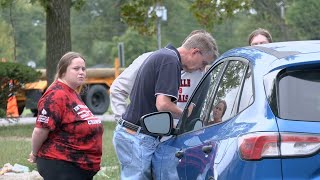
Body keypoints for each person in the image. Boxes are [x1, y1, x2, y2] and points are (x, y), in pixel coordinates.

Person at [112, 31, 219, 180]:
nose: (202, 69)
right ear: (195, 52)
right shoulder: (170, 61)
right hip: (137, 136)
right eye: (203, 63)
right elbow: (162, 104)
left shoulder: (165, 56)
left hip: (139, 135)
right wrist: (185, 115)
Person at [110, 30, 218, 123]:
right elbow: (118, 89)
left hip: (181, 139)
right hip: (146, 134)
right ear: (193, 50)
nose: (202, 68)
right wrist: (124, 123)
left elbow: (201, 111)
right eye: (203, 63)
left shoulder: (201, 74)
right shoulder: (151, 59)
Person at [28, 52, 104, 180]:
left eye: (83, 69)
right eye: (76, 69)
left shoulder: (72, 93)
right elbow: (40, 130)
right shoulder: (56, 95)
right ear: (63, 71)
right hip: (61, 163)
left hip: (78, 166)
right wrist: (34, 153)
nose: (81, 72)